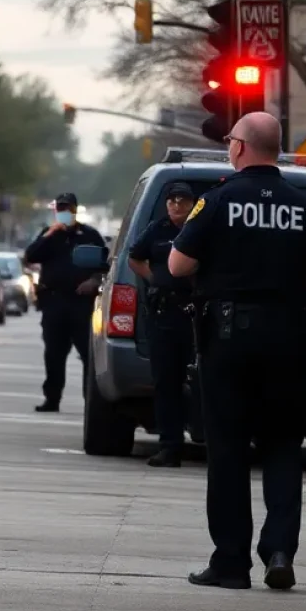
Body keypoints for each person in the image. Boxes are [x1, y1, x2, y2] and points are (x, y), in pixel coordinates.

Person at [169, 112, 306, 591]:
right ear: (276, 149)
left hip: (229, 339)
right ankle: (279, 549)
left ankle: (232, 563)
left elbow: (177, 265)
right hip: (288, 340)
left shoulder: (218, 201)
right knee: (282, 445)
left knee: (229, 450)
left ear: (238, 147)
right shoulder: (304, 207)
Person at [128, 182, 197, 468]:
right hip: (165, 315)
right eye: (172, 201)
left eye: (182, 201)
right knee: (166, 383)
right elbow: (134, 257)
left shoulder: (201, 227)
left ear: (193, 204)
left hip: (197, 317)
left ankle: (209, 439)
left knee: (204, 384)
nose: (177, 206)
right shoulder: (156, 230)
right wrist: (155, 279)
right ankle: (170, 447)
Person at [24, 192, 105, 412]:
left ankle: (92, 402)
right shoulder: (50, 235)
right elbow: (30, 256)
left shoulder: (89, 235)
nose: (63, 213)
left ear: (75, 210)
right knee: (54, 355)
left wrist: (94, 280)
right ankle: (52, 399)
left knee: (89, 356)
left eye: (67, 209)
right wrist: (50, 233)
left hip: (81, 304)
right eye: (60, 209)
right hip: (54, 302)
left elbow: (104, 263)